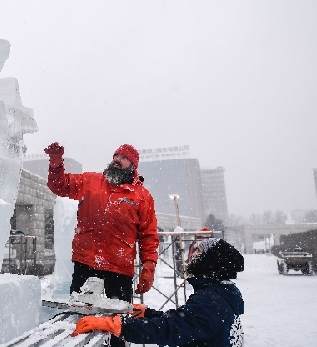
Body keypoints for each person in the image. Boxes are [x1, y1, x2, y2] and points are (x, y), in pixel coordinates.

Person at [72, 238, 245, 347]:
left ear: (210, 262)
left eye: (198, 252)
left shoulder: (211, 301)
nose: (192, 256)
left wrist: (118, 325)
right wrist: (148, 314)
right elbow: (187, 322)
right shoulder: (220, 294)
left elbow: (170, 330)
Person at [44, 142, 159, 299]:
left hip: (119, 269)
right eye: (116, 156)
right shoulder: (90, 181)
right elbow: (60, 186)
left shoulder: (142, 197)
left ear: (133, 166)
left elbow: (149, 235)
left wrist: (149, 265)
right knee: (81, 313)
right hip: (86, 263)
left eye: (124, 158)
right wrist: (56, 163)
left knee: (116, 318)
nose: (118, 160)